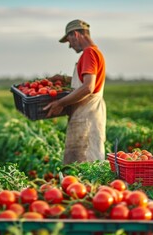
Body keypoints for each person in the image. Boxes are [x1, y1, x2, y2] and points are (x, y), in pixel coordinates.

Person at [44, 19, 106, 165]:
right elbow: (86, 81)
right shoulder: (95, 53)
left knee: (83, 166)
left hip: (86, 117)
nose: (70, 46)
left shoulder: (89, 54)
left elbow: (87, 87)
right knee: (86, 166)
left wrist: (60, 102)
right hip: (90, 115)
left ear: (76, 34)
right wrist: (63, 79)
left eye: (69, 41)